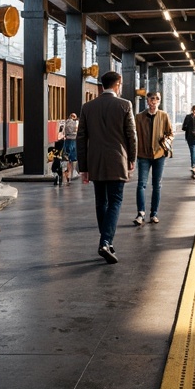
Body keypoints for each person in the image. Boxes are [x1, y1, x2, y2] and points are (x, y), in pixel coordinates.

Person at [77, 72, 137, 264]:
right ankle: (105, 242)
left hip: (95, 162)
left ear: (101, 86)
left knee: (100, 202)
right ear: (118, 84)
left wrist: (83, 167)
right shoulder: (125, 105)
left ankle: (106, 242)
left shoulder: (87, 107)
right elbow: (131, 136)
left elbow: (81, 139)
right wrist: (132, 159)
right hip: (117, 161)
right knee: (115, 201)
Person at [133, 91, 174, 226]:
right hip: (143, 155)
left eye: (157, 99)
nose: (154, 101)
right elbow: (133, 136)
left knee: (157, 185)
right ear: (147, 100)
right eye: (152, 99)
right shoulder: (139, 117)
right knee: (141, 184)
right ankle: (141, 213)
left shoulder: (164, 116)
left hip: (159, 155)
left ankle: (154, 213)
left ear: (160, 100)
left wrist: (166, 141)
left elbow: (170, 133)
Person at [59, 112, 79, 185]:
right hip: (73, 139)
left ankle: (67, 173)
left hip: (67, 140)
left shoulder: (66, 122)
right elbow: (77, 130)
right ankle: (72, 172)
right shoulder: (76, 122)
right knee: (73, 158)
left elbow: (63, 131)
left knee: (67, 157)